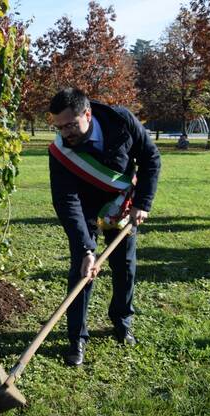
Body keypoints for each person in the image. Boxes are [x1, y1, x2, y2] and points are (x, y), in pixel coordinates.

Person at [47, 88, 161, 366]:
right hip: (84, 208)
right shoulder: (61, 151)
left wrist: (142, 203)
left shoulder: (120, 121)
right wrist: (86, 248)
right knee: (82, 272)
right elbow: (66, 201)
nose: (65, 133)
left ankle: (122, 320)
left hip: (121, 205)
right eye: (59, 127)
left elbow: (150, 159)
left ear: (87, 114)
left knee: (125, 266)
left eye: (70, 125)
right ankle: (77, 338)